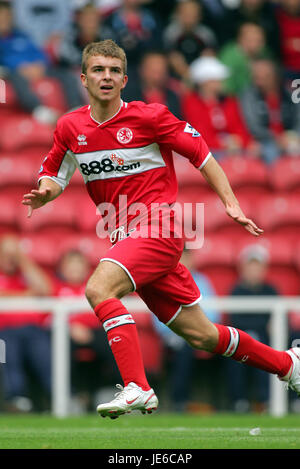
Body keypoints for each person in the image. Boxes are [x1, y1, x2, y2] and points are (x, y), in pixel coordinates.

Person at [22, 39, 300, 419]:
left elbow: (202, 154)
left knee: (98, 288)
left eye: (114, 71)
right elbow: (55, 173)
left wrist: (231, 202)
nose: (107, 77)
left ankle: (137, 386)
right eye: (99, 70)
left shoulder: (149, 117)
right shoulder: (71, 126)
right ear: (83, 78)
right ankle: (288, 365)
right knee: (202, 334)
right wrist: (45, 194)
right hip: (126, 236)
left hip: (160, 226)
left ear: (124, 80)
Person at [152, 245, 220, 412]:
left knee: (226, 349)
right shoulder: (163, 280)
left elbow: (214, 314)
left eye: (187, 258)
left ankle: (231, 402)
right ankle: (180, 401)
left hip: (201, 332)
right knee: (183, 348)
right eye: (181, 258)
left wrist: (195, 328)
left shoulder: (202, 282)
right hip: (173, 335)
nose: (184, 262)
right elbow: (158, 318)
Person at [54, 248, 119, 411]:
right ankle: (70, 395)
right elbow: (47, 316)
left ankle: (117, 389)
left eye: (79, 265)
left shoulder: (95, 288)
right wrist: (70, 327)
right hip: (66, 334)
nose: (75, 270)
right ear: (62, 269)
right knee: (59, 346)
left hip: (95, 331)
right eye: (71, 266)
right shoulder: (55, 288)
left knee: (114, 340)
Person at [0, 235, 52, 412]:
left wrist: (23, 259)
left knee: (45, 355)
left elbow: (45, 289)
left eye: (13, 254)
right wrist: (28, 295)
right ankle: (15, 399)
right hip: (4, 331)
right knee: (8, 353)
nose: (10, 258)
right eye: (6, 254)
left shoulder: (25, 272)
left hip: (33, 330)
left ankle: (56, 397)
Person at [226, 244, 278, 413]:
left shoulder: (271, 291)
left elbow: (276, 319)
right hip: (241, 339)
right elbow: (235, 319)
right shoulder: (236, 290)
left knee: (269, 356)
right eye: (251, 266)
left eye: (258, 267)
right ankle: (239, 400)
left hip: (265, 339)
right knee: (234, 358)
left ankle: (266, 400)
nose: (254, 271)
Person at [181, 56, 258, 159]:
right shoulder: (192, 103)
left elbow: (239, 127)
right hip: (208, 152)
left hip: (235, 149)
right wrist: (223, 144)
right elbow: (198, 133)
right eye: (216, 80)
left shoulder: (229, 102)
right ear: (204, 82)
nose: (221, 82)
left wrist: (243, 142)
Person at [240, 58, 300, 163]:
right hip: (264, 141)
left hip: (291, 138)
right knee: (270, 153)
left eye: (265, 77)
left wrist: (293, 136)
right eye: (257, 78)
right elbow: (253, 126)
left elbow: (298, 118)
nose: (260, 82)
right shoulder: (249, 96)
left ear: (274, 77)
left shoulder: (289, 93)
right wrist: (277, 138)